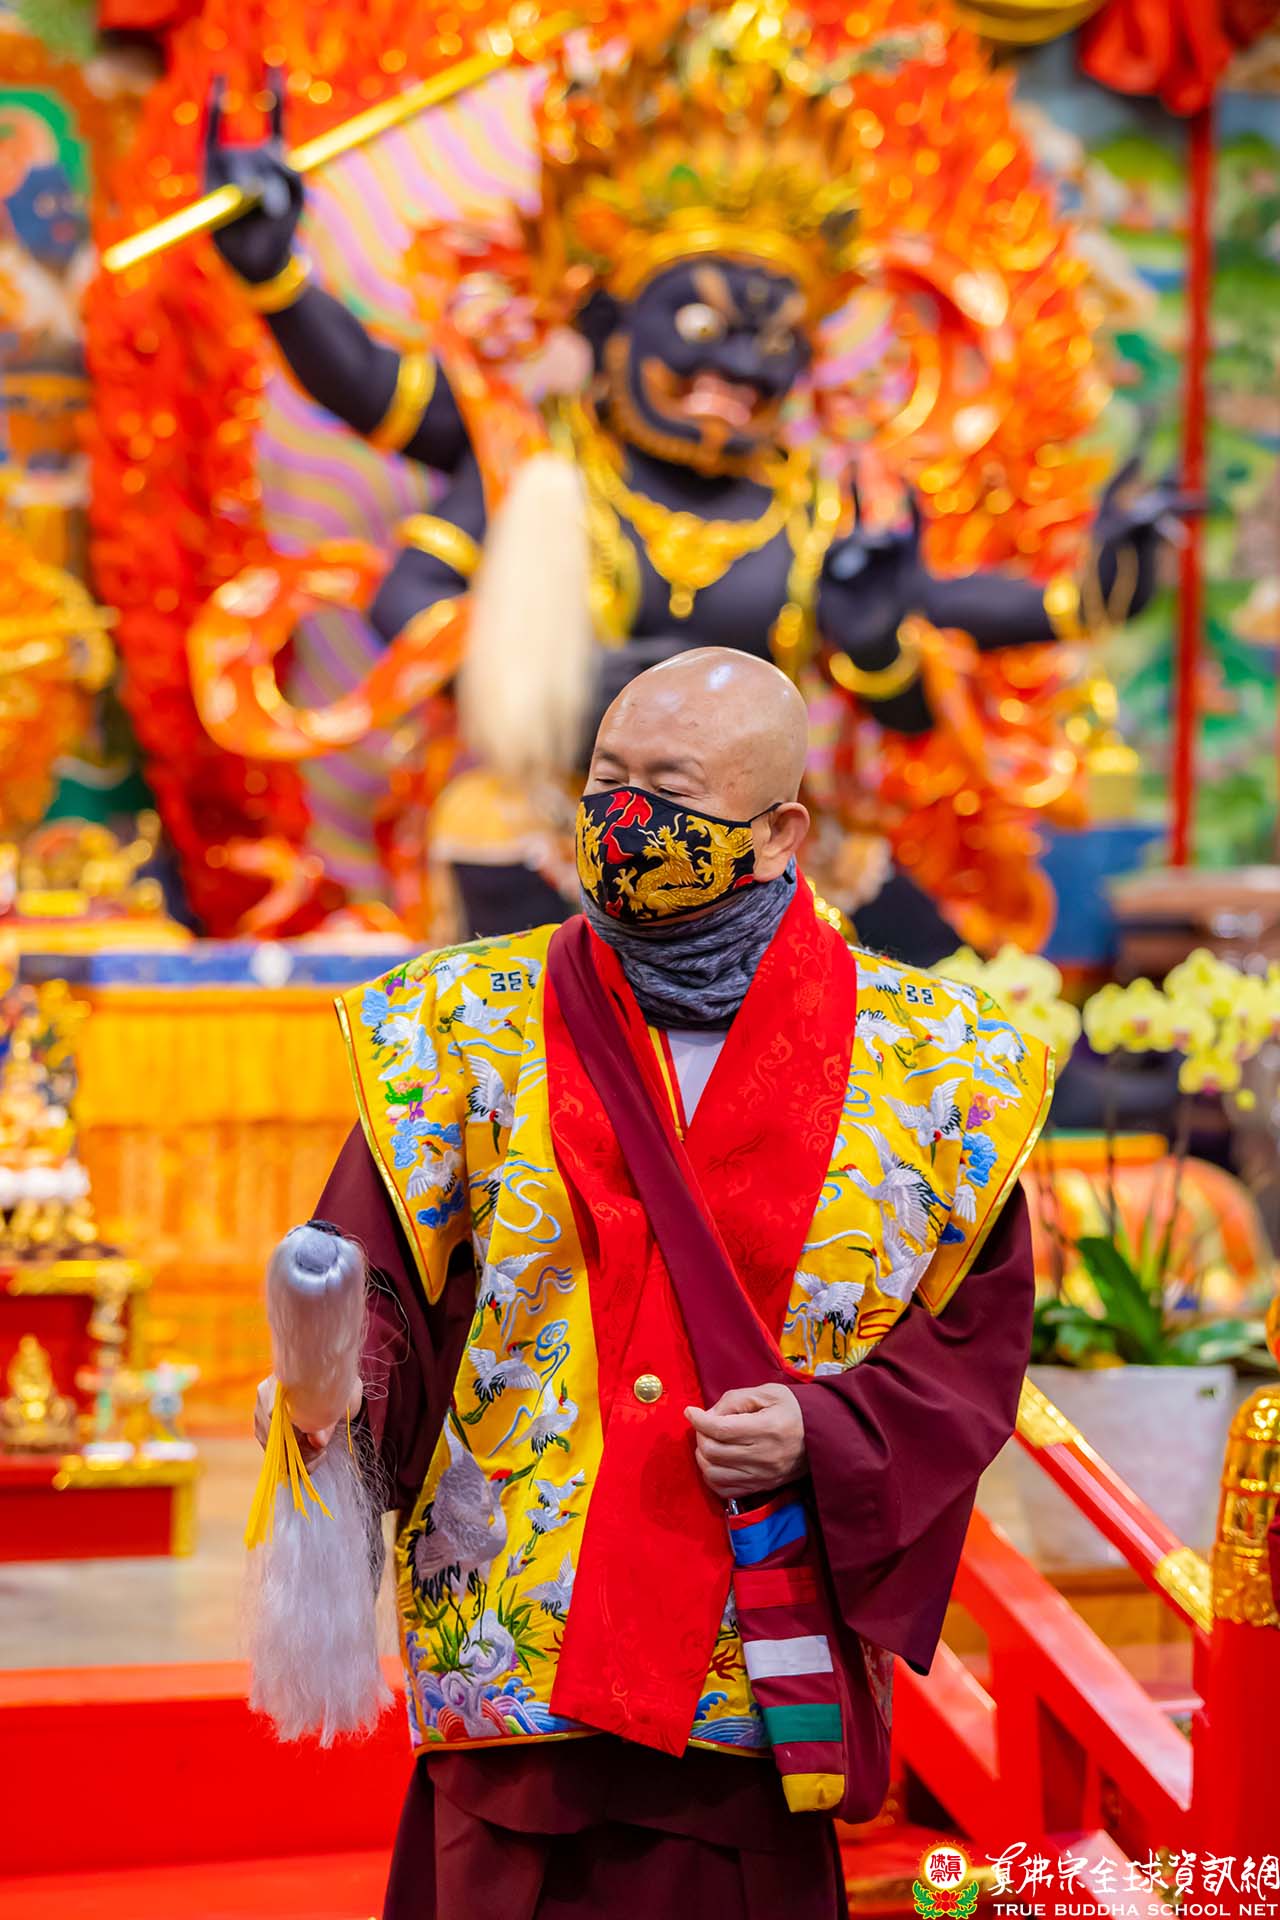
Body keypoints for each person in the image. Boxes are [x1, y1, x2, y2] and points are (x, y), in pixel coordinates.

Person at [259, 647, 1051, 1919]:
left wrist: (826, 1428)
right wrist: (330, 1401)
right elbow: (381, 1285)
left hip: (744, 1657)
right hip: (515, 1638)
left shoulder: (937, 1068)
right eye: (604, 781)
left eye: (668, 790)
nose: (624, 820)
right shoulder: (458, 1023)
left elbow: (969, 1355)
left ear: (779, 832)